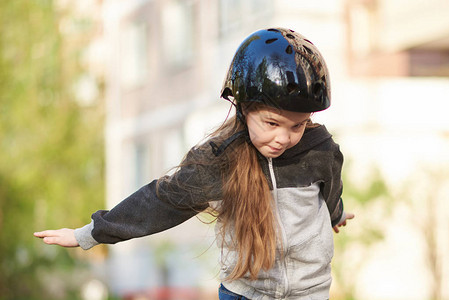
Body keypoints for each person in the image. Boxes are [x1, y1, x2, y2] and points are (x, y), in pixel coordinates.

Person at [34, 27, 354, 299]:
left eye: (296, 126)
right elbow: (159, 203)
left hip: (308, 293)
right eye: (272, 123)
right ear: (244, 109)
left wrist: (336, 215)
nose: (284, 137)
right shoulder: (219, 161)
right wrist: (88, 234)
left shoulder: (319, 149)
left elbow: (329, 195)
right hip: (244, 293)